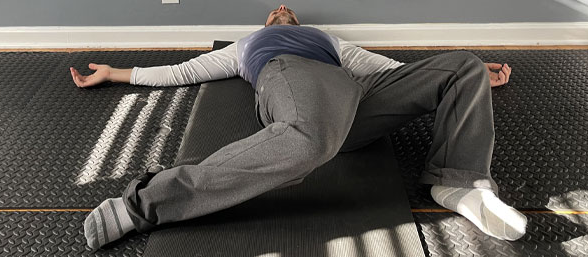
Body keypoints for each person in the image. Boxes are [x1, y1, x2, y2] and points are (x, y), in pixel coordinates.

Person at [70, 5, 525, 250]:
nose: (281, 8)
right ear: (269, 22)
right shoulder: (251, 43)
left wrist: (474, 78)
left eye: (285, 9)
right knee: (309, 138)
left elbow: (389, 70)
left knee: (461, 66)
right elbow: (183, 71)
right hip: (290, 78)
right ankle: (145, 202)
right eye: (274, 10)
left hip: (351, 96)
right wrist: (116, 73)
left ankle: (459, 183)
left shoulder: (330, 40)